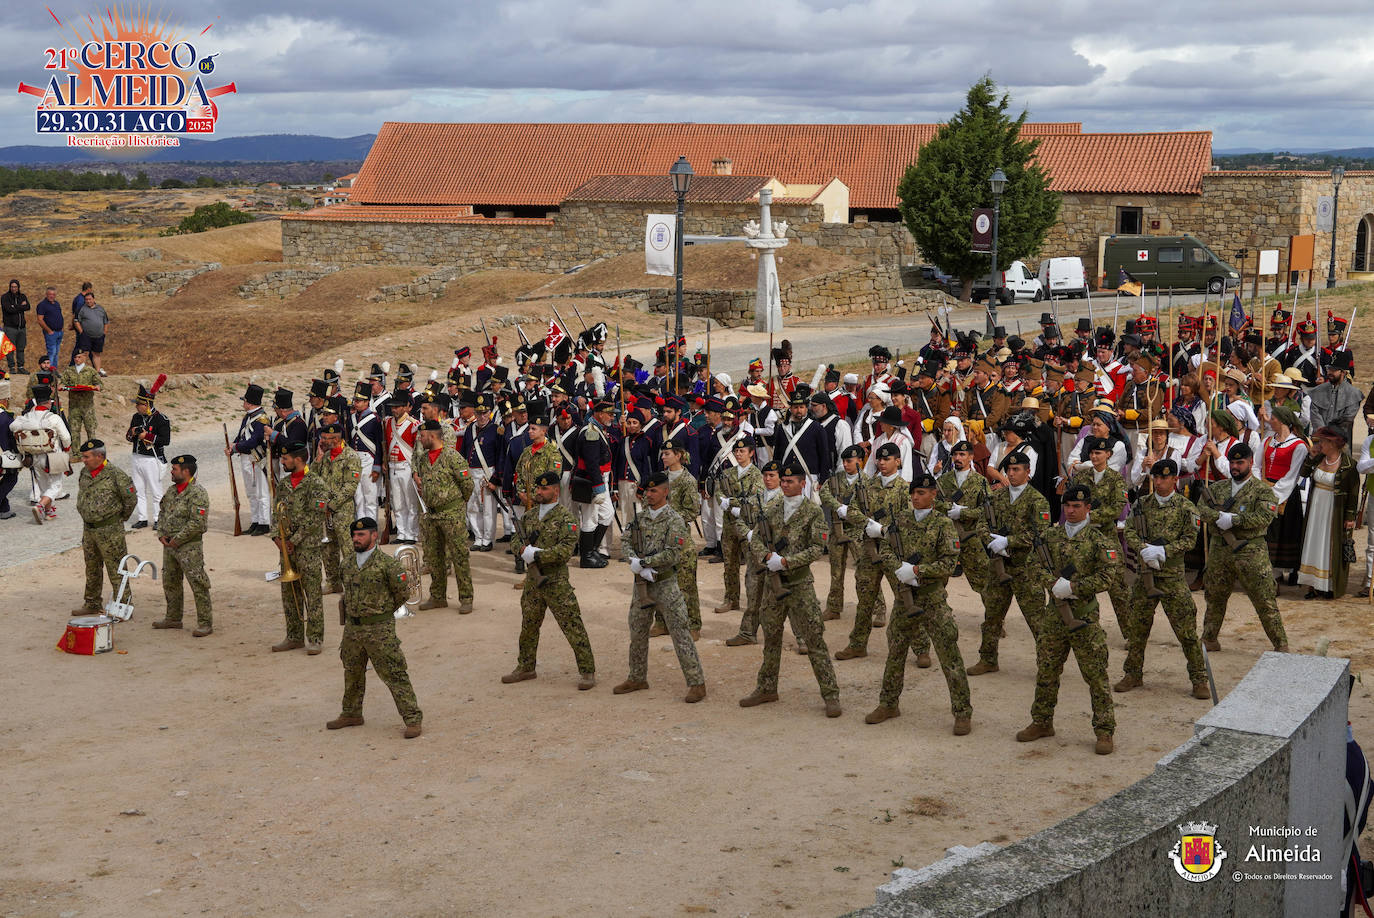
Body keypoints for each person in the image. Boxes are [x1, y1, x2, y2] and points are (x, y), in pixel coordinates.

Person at [864, 473, 972, 735]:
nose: (915, 497)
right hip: (905, 598)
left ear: (934, 495)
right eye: (913, 493)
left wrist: (917, 570)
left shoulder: (944, 525)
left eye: (922, 493)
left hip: (932, 598)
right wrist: (897, 567)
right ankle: (888, 703)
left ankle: (962, 712)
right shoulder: (900, 520)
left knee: (949, 654)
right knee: (896, 651)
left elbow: (950, 563)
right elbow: (886, 550)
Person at [1017, 483, 1116, 755]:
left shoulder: (1100, 541)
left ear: (1088, 508)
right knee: (1046, 670)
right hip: (1054, 617)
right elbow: (1032, 566)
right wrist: (1053, 584)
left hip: (1083, 617)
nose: (1071, 511)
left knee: (1095, 675)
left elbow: (1109, 576)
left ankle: (1105, 730)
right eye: (1067, 506)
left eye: (1076, 507)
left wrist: (1073, 587)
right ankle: (1041, 721)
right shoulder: (1050, 537)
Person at [738, 461, 841, 717]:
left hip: (799, 584)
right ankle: (767, 688)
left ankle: (831, 695)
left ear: (802, 483)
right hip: (773, 587)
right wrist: (766, 557)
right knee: (771, 638)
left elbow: (817, 548)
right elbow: (757, 539)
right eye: (782, 482)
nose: (784, 485)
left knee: (814, 639)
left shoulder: (813, 512)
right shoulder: (772, 509)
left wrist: (785, 562)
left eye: (790, 481)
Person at [1116, 459, 1209, 698]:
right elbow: (1129, 530)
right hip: (1145, 576)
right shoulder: (1142, 504)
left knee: (1186, 630)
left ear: (1174, 479)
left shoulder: (1185, 508)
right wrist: (1143, 548)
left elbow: (1190, 538)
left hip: (1172, 577)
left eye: (1163, 478)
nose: (1158, 482)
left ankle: (1199, 678)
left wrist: (1164, 551)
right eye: (1155, 478)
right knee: (1138, 628)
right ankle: (1133, 673)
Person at [327, 517, 423, 739]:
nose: (356, 539)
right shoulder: (348, 563)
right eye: (354, 535)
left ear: (374, 536)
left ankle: (412, 718)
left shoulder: (388, 565)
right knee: (352, 672)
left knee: (394, 674)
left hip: (380, 630)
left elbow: (403, 593)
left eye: (361, 535)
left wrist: (382, 611)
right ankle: (351, 713)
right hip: (352, 629)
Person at [615, 471, 707, 703]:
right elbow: (626, 541)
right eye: (647, 491)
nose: (649, 494)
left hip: (665, 583)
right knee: (637, 631)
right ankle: (637, 677)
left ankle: (696, 682)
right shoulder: (640, 518)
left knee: (680, 633)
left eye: (654, 491)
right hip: (642, 586)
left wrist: (645, 563)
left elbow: (673, 553)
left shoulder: (674, 520)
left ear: (666, 492)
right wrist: (633, 561)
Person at [504, 469, 597, 690]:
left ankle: (587, 671)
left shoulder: (567, 518)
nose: (539, 492)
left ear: (556, 491)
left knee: (572, 625)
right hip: (533, 582)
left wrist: (535, 554)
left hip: (556, 581)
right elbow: (515, 540)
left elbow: (565, 551)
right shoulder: (528, 516)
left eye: (544, 488)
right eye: (538, 487)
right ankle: (526, 666)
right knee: (528, 625)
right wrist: (521, 550)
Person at [1196, 443, 1288, 653]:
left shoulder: (1263, 490)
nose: (1235, 467)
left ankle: (1280, 643)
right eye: (1232, 463)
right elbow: (1200, 509)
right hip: (1220, 551)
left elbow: (1265, 516)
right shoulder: (1217, 489)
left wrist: (1235, 520)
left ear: (1250, 462)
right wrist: (1218, 517)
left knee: (1264, 600)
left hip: (1250, 552)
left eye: (1240, 462)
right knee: (1214, 598)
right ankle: (1209, 638)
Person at [968, 450, 1052, 676]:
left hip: (1027, 569)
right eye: (1009, 470)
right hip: (999, 566)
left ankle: (1047, 665)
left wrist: (1009, 541)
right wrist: (992, 541)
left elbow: (1041, 534)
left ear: (1028, 472)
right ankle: (988, 659)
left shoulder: (1037, 501)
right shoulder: (996, 497)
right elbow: (982, 524)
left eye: (1017, 470)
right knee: (992, 617)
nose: (1012, 474)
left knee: (1037, 620)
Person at [835, 443, 907, 661]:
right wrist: (867, 522)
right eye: (879, 459)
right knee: (865, 600)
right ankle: (857, 644)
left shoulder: (905, 489)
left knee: (905, 599)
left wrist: (883, 530)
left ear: (898, 461)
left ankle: (921, 647)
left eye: (887, 459)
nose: (882, 463)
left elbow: (908, 521)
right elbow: (851, 510)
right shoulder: (866, 485)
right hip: (869, 550)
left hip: (894, 551)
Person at [271, 441, 329, 654]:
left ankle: (315, 638)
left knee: (312, 594)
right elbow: (275, 511)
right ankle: (293, 636)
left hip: (308, 548)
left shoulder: (316, 483)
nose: (283, 462)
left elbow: (316, 517)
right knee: (289, 594)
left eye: (286, 459)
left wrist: (294, 540)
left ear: (298, 459)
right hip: (286, 549)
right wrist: (276, 537)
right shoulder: (284, 484)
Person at [414, 418, 476, 613]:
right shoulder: (423, 459)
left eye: (422, 436)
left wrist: (456, 505)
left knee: (459, 556)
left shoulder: (452, 457)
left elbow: (468, 485)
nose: (420, 439)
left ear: (432, 436)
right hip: (431, 516)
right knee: (435, 558)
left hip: (452, 514)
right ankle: (438, 596)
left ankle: (466, 598)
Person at [72, 438, 137, 614]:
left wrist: (117, 519)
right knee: (92, 568)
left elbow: (130, 499)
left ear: (99, 456)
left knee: (116, 568)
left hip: (110, 530)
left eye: (86, 457)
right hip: (89, 529)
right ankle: (92, 603)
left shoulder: (116, 475)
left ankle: (123, 605)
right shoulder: (85, 473)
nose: (83, 460)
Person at [151, 454, 213, 636]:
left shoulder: (197, 493)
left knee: (198, 583)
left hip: (189, 547)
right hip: (169, 546)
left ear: (186, 471)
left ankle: (205, 623)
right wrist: (161, 533)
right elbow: (162, 514)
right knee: (170, 582)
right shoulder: (171, 491)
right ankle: (173, 617)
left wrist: (178, 539)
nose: (171, 471)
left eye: (175, 469)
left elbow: (198, 523)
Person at [1297, 427, 1360, 600]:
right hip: (1315, 509)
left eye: (1323, 441)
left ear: (1334, 443)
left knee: (1331, 546)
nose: (1320, 444)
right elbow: (1303, 474)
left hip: (1334, 511)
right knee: (1313, 542)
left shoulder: (1349, 465)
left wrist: (1349, 517)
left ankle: (1329, 586)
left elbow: (1354, 493)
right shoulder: (1318, 458)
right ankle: (1312, 585)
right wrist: (1310, 456)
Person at [656, 437, 702, 637]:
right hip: (660, 540)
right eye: (663, 454)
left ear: (679, 456)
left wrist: (669, 517)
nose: (664, 457)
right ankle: (662, 622)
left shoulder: (688, 480)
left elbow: (692, 511)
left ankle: (693, 625)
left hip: (680, 541)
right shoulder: (660, 478)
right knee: (660, 583)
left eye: (667, 454)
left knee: (686, 585)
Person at [1260, 406, 1308, 588]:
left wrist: (1273, 494)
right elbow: (1257, 466)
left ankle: (1283, 573)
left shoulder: (1299, 446)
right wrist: (1260, 488)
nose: (1269, 420)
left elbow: (1292, 475)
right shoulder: (1266, 440)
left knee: (1282, 533)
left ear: (1281, 421)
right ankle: (1273, 576)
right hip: (1264, 490)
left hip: (1285, 494)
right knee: (1268, 534)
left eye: (1272, 418)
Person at [315, 421, 362, 595]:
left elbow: (350, 486)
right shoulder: (326, 456)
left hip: (342, 511)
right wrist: (319, 457)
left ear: (335, 438)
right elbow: (312, 477)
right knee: (328, 549)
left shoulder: (350, 456)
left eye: (325, 439)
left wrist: (332, 505)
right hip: (325, 513)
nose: (322, 441)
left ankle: (353, 583)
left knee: (348, 548)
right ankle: (333, 582)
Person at [20, 384, 71, 524]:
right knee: (55, 485)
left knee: (43, 486)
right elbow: (66, 438)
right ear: (48, 403)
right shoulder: (54, 418)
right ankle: (41, 506)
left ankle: (49, 512)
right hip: (53, 455)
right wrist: (66, 449)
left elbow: (14, 427)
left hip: (34, 456)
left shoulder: (27, 417)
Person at [126, 377, 170, 530]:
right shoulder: (136, 418)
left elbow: (166, 440)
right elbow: (128, 437)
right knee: (139, 490)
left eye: (139, 404)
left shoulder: (161, 419)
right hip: (137, 457)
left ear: (147, 404)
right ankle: (142, 518)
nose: (137, 407)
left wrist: (148, 436)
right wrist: (132, 433)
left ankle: (158, 518)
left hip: (152, 459)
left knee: (156, 491)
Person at [227, 384, 272, 535]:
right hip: (246, 458)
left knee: (261, 492)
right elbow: (242, 435)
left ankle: (264, 522)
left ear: (250, 402)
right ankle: (255, 520)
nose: (243, 403)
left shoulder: (262, 419)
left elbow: (254, 441)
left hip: (256, 460)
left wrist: (235, 448)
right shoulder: (248, 417)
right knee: (251, 492)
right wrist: (232, 445)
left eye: (245, 401)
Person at [1308, 351, 1362, 447]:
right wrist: (1323, 434)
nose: (1329, 372)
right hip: (1319, 440)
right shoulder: (1318, 391)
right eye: (1329, 369)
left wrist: (1331, 437)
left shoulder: (1354, 394)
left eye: (1334, 370)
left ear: (1343, 372)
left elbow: (1347, 419)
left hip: (1340, 442)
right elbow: (1315, 414)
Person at [57, 349, 100, 447]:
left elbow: (98, 383)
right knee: (74, 430)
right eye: (75, 357)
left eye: (79, 357)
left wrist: (97, 387)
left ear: (84, 357)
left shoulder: (90, 370)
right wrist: (61, 386)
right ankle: (76, 453)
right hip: (74, 405)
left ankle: (93, 450)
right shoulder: (69, 370)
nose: (77, 359)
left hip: (87, 405)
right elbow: (63, 382)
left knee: (90, 429)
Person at [72, 293, 109, 377]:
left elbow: (106, 321)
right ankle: (82, 371)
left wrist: (104, 332)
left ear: (93, 299)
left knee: (97, 353)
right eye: (86, 300)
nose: (88, 301)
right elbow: (76, 321)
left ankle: (98, 371)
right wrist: (81, 332)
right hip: (86, 336)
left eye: (90, 299)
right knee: (85, 353)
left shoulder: (100, 309)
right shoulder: (82, 309)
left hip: (99, 336)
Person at [1, 279, 30, 375]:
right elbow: (8, 309)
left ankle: (21, 367)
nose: (14, 288)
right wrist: (20, 306)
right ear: (10, 287)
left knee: (21, 348)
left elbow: (28, 307)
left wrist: (15, 306)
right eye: (12, 287)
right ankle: (12, 367)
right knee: (9, 349)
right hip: (10, 327)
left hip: (21, 327)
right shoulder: (5, 297)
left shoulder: (22, 296)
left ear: (18, 287)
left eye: (15, 287)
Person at [0, 374, 17, 519]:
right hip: (3, 455)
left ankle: (4, 508)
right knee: (12, 478)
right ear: (4, 400)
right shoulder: (6, 417)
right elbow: (10, 440)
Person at [34, 286, 62, 369]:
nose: (51, 296)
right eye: (50, 294)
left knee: (56, 353)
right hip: (51, 333)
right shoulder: (42, 305)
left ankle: (54, 370)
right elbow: (40, 320)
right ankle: (49, 371)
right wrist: (49, 330)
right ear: (46, 294)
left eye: (53, 294)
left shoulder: (56, 304)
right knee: (52, 353)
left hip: (59, 332)